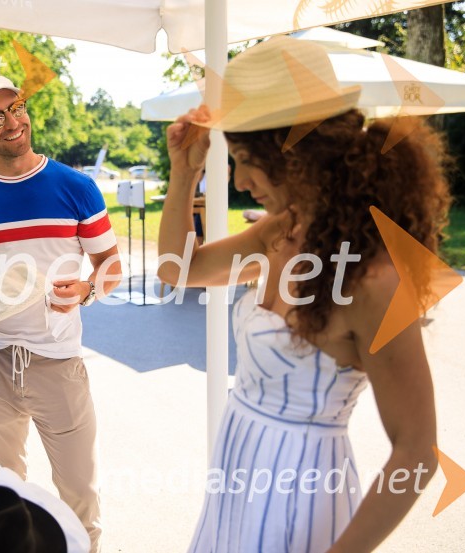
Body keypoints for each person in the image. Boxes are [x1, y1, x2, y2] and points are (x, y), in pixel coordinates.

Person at [158, 37, 447, 553]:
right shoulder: (277, 231)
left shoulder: (373, 282)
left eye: (248, 159)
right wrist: (184, 171)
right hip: (237, 470)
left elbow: (416, 452)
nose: (241, 181)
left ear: (301, 155)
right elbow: (180, 270)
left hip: (303, 497)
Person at [0, 75, 122, 551]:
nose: (10, 123)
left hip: (58, 362)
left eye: (15, 108)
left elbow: (110, 266)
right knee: (2, 491)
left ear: (26, 110)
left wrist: (84, 289)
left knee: (80, 492)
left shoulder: (77, 187)